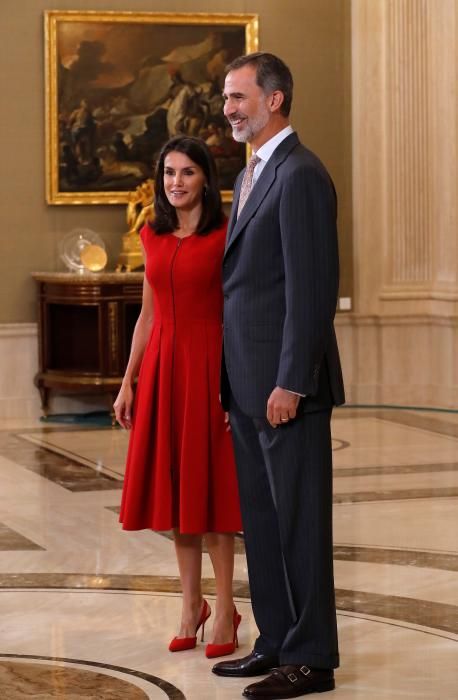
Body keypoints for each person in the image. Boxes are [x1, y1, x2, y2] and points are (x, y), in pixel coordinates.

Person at [212, 53, 345, 698]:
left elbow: (311, 292)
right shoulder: (252, 176)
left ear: (277, 99)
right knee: (262, 522)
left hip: (284, 389)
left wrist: (292, 381)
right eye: (227, 99)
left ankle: (312, 657)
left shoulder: (301, 175)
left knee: (299, 522)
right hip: (246, 385)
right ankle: (275, 642)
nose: (230, 109)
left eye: (240, 97)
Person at [114, 136, 242, 659]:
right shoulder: (153, 233)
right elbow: (148, 313)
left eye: (187, 173)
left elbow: (238, 313)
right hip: (164, 371)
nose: (177, 182)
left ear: (206, 179)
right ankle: (191, 606)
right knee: (174, 498)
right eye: (169, 173)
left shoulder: (226, 233)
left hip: (210, 367)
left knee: (210, 496)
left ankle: (228, 606)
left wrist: (234, 384)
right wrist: (128, 380)